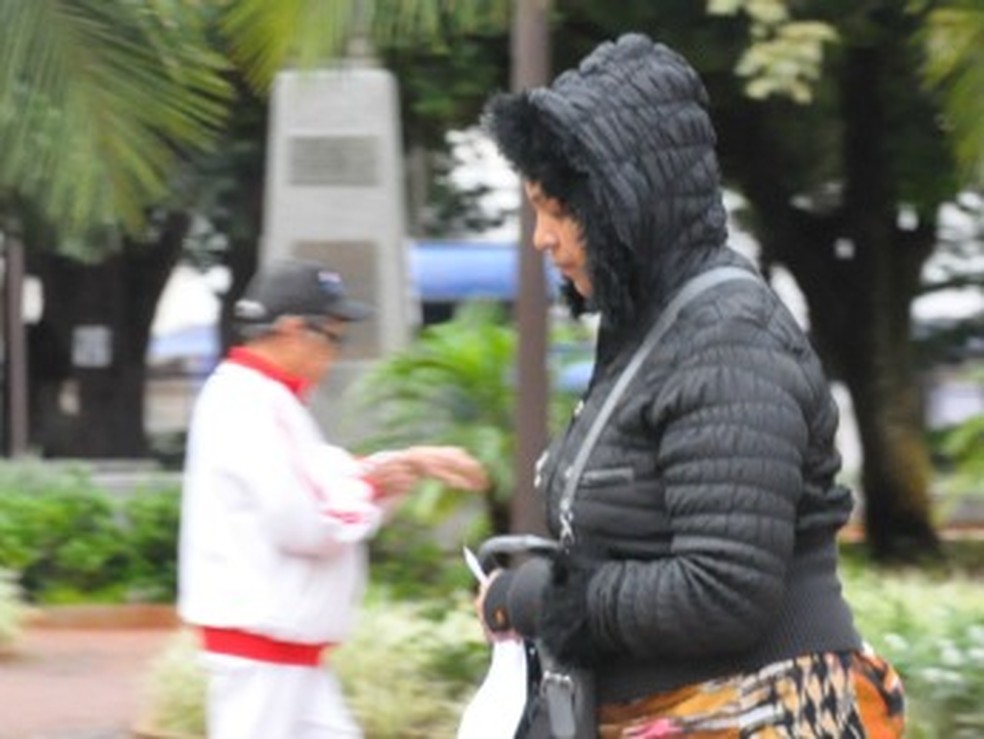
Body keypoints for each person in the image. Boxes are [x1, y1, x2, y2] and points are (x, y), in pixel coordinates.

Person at [475, 34, 905, 737]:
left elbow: (724, 588)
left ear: (625, 204)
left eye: (558, 211)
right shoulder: (650, 329)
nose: (541, 239)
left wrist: (542, 599)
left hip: (754, 709)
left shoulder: (728, 337)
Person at [178, 258, 488, 739]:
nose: (336, 353)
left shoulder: (261, 397)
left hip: (281, 650)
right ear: (293, 329)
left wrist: (396, 468)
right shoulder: (249, 400)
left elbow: (323, 478)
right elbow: (306, 521)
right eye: (334, 336)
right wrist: (379, 481)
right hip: (265, 649)